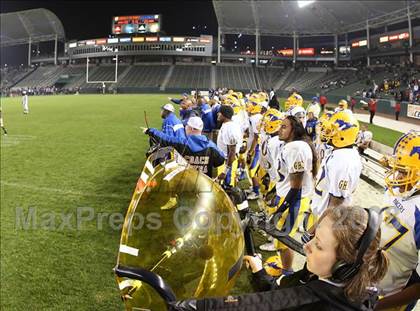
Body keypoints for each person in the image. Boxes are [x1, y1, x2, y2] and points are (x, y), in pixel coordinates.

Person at [169, 205, 389, 311]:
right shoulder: (353, 286)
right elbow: (281, 297)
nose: (307, 246)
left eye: (319, 245)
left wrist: (191, 306)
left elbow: (259, 304)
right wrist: (260, 273)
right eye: (313, 237)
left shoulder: (318, 301)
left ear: (344, 265)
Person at [260, 116, 316, 276]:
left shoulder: (296, 148)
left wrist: (282, 208)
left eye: (284, 127)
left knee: (284, 241)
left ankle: (287, 273)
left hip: (293, 201)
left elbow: (296, 186)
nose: (279, 129)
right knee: (280, 241)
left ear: (294, 130)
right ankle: (286, 270)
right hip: (288, 197)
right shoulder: (292, 146)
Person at [376, 130, 420, 310]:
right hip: (370, 276)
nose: (397, 177)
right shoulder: (399, 189)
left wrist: (378, 306)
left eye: (403, 171)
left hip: (393, 296)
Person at [311, 111, 362, 219]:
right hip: (321, 212)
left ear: (344, 136)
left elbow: (336, 205)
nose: (328, 131)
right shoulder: (339, 152)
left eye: (333, 130)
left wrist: (314, 229)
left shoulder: (343, 161)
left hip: (327, 219)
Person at [144, 117, 224, 178]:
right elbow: (220, 161)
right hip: (203, 184)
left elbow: (165, 139)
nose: (185, 128)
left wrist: (151, 131)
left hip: (184, 182)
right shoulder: (211, 146)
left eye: (187, 126)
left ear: (192, 128)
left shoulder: (181, 142)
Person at [216, 105, 243, 187]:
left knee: (229, 188)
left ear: (224, 114)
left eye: (219, 113)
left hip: (228, 161)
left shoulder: (229, 128)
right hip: (226, 160)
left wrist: (225, 171)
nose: (218, 114)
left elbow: (232, 152)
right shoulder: (228, 125)